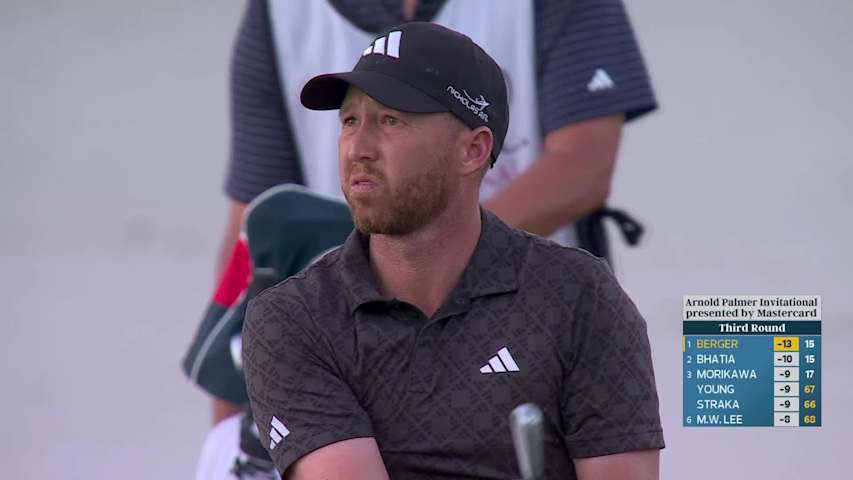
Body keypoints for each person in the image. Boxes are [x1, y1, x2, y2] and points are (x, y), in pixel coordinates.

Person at [242, 22, 663, 479]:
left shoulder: (581, 296)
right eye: (349, 121)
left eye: (390, 120)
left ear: (473, 150)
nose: (357, 149)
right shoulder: (292, 318)